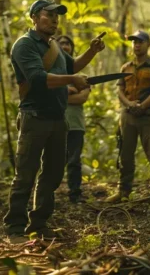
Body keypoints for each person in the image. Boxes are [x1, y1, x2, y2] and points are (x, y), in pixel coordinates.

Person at [4, 0, 105, 242]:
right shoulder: (24, 45)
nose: (55, 20)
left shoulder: (55, 46)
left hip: (58, 119)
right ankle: (15, 227)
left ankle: (38, 224)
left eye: (57, 16)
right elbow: (38, 79)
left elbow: (73, 65)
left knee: (52, 174)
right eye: (49, 15)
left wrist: (91, 50)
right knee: (26, 173)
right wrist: (72, 79)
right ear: (35, 17)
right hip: (34, 117)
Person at [106, 30, 150, 203]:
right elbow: (119, 90)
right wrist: (129, 104)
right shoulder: (126, 68)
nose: (137, 45)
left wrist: (142, 106)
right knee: (125, 154)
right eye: (134, 42)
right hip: (128, 116)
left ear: (148, 44)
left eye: (140, 41)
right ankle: (123, 191)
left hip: (148, 116)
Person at [56, 35, 90, 204]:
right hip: (55, 122)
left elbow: (82, 98)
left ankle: (75, 193)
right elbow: (48, 94)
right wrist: (67, 90)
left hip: (75, 124)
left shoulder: (82, 75)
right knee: (53, 160)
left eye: (68, 43)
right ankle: (48, 193)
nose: (64, 46)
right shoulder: (51, 74)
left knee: (74, 160)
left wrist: (60, 94)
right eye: (61, 43)